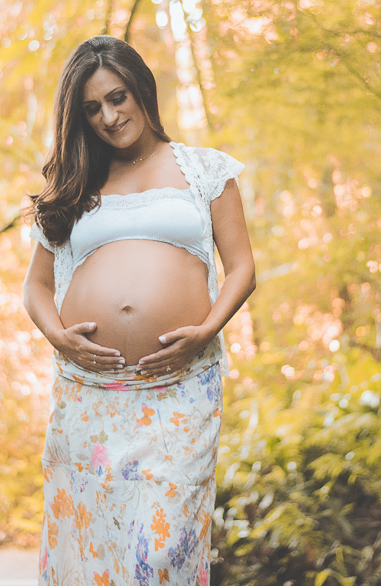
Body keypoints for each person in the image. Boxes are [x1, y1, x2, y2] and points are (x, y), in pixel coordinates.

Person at [22, 35, 256, 586]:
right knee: (94, 546)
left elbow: (242, 268)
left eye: (118, 97)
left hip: (178, 389)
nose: (108, 116)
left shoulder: (204, 170)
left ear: (142, 90)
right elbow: (34, 288)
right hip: (89, 394)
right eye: (92, 108)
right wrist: (60, 336)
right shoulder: (75, 185)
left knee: (160, 548)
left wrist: (206, 330)